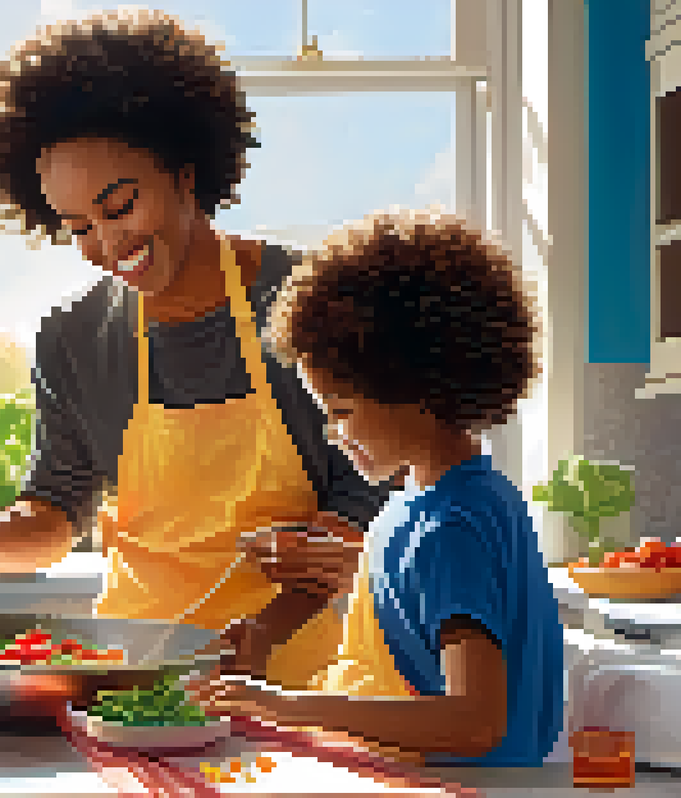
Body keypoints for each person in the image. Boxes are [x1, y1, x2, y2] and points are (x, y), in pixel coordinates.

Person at [0, 8, 394, 688]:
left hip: (304, 679)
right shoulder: (72, 338)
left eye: (119, 207)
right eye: (78, 227)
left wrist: (264, 632)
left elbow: (366, 495)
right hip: (136, 679)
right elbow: (59, 503)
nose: (107, 244)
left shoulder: (310, 297)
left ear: (185, 173)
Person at [190, 209, 562, 766]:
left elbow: (475, 722)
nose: (334, 434)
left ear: (419, 389)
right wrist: (274, 630)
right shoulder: (430, 502)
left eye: (342, 411)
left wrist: (288, 707)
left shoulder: (450, 527)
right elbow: (407, 618)